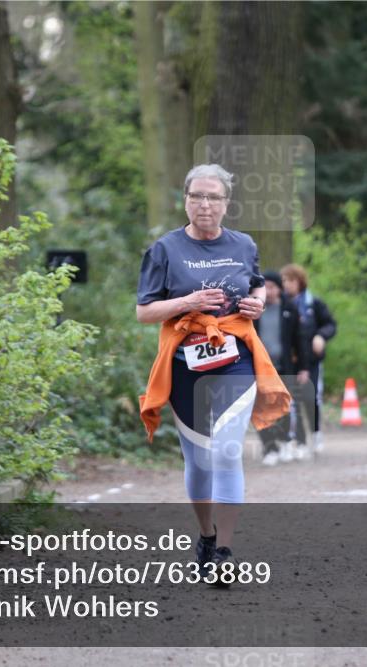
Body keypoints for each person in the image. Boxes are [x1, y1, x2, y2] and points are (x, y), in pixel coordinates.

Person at [136, 164, 290, 586]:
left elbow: (256, 285)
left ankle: (223, 549)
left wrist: (257, 303)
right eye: (197, 196)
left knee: (226, 451)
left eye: (213, 197)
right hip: (186, 366)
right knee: (199, 459)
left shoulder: (243, 244)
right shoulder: (164, 250)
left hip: (236, 359)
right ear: (185, 200)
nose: (205, 204)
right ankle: (205, 535)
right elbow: (144, 311)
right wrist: (187, 302)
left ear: (226, 203)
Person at [280, 264, 337, 459]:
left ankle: (316, 433)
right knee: (290, 402)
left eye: (291, 280)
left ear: (300, 282)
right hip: (289, 361)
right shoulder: (281, 305)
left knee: (311, 399)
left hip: (311, 361)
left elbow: (330, 324)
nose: (287, 285)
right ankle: (294, 440)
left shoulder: (314, 304)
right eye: (284, 281)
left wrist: (321, 336)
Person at [254, 271, 310, 466]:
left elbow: (299, 340)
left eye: (272, 287)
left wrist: (303, 367)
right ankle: (269, 448)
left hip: (284, 366)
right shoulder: (253, 308)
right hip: (259, 368)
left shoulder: (289, 309)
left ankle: (287, 442)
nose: (268, 291)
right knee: (260, 409)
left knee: (284, 407)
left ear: (279, 288)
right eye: (264, 287)